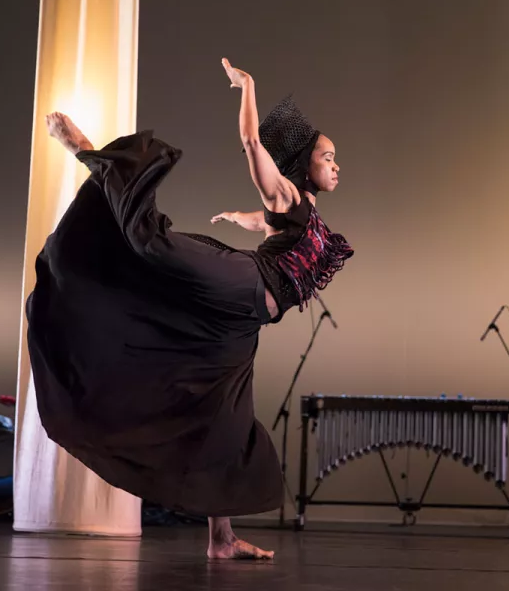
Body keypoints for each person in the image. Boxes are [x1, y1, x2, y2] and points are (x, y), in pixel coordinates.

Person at [25, 58, 353, 560]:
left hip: (244, 322)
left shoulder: (297, 210)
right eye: (328, 157)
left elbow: (263, 222)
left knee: (222, 415)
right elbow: (251, 144)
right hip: (246, 285)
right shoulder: (286, 193)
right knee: (152, 244)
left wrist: (237, 217)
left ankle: (221, 540)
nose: (336, 165)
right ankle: (88, 152)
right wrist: (249, 87)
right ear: (302, 165)